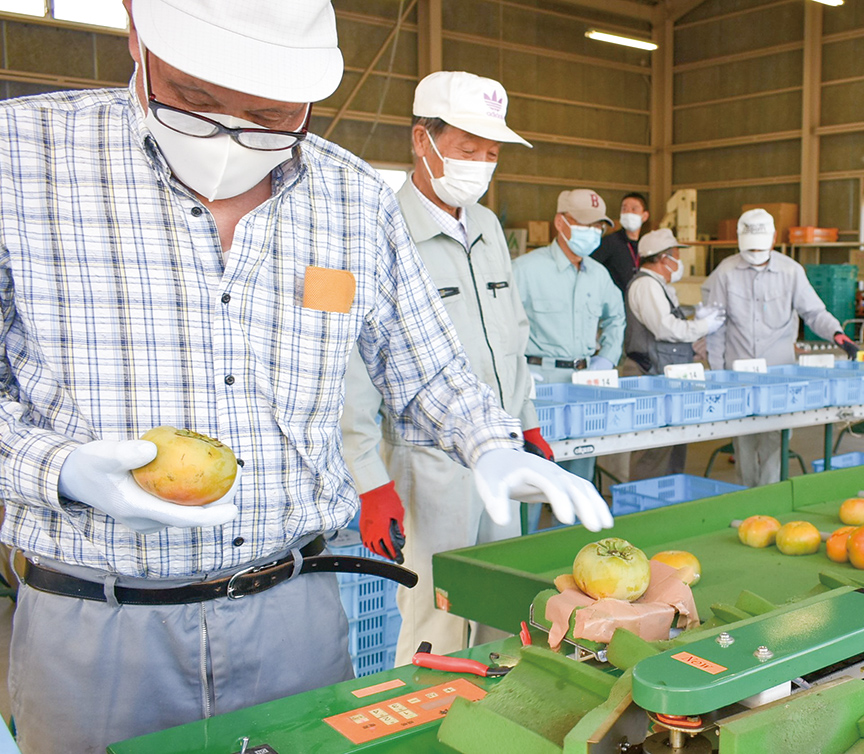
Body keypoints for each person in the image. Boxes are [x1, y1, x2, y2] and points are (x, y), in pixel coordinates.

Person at [0, 3, 612, 752]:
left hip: (293, 615)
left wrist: (491, 443)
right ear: (136, 29)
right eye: (194, 99)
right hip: (97, 627)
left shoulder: (350, 197)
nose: (229, 136)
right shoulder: (21, 160)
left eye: (268, 115)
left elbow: (425, 369)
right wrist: (55, 467)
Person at [340, 70, 555, 667]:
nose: (480, 166)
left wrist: (527, 421)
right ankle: (424, 717)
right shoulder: (383, 231)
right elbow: (354, 366)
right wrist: (368, 478)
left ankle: (494, 708)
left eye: (490, 154)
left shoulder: (487, 227)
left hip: (499, 447)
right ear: (422, 141)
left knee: (504, 593)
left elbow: (512, 334)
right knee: (437, 608)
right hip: (425, 457)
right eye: (466, 150)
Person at [701, 208, 859, 487]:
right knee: (744, 443)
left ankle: (769, 503)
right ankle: (747, 498)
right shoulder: (725, 272)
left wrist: (837, 333)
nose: (755, 256)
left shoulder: (791, 271)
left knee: (775, 442)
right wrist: (716, 374)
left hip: (779, 376)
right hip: (737, 377)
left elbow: (813, 312)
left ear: (773, 239)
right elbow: (715, 328)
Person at [513, 189, 627, 480]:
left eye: (597, 227)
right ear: (560, 223)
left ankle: (575, 525)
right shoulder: (525, 270)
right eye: (584, 224)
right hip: (539, 386)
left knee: (581, 469)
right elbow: (501, 325)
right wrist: (516, 370)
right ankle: (532, 526)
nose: (592, 232)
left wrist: (607, 357)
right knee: (536, 471)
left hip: (585, 382)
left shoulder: (599, 275)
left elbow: (616, 317)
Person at [624, 228, 723, 479]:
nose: (679, 263)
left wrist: (694, 326)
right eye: (676, 257)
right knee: (653, 450)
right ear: (663, 258)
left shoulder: (659, 286)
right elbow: (665, 328)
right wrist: (703, 326)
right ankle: (646, 509)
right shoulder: (646, 285)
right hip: (650, 375)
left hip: (666, 375)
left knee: (674, 447)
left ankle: (668, 504)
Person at [593, 192, 650, 293]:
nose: (628, 213)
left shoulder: (646, 245)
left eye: (634, 209)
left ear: (645, 216)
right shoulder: (609, 242)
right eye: (624, 209)